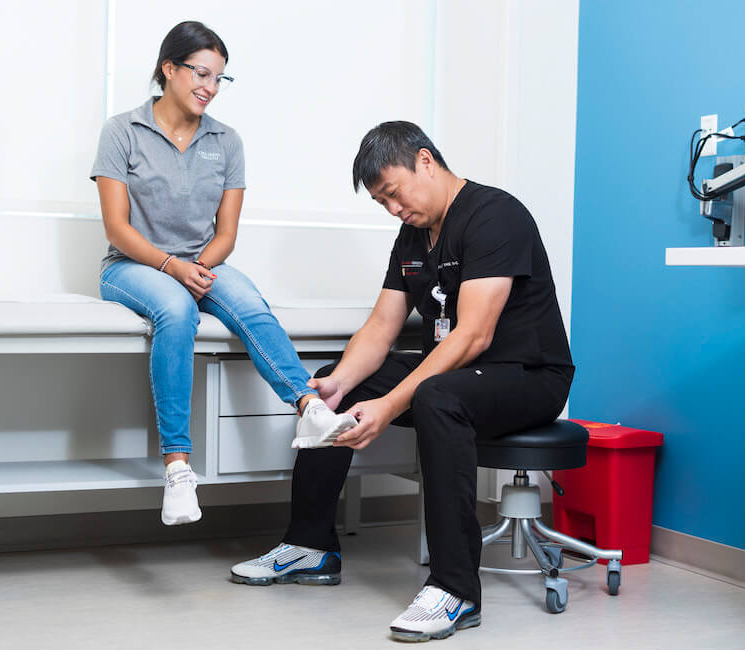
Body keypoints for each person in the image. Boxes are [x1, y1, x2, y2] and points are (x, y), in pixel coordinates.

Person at [230, 121, 574, 642]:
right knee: (332, 382)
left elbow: (475, 335)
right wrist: (339, 386)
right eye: (381, 202)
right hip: (457, 374)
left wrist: (391, 405)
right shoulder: (412, 236)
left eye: (394, 193)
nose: (393, 209)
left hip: (527, 376)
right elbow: (381, 328)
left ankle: (455, 589)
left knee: (437, 397)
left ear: (426, 161)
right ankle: (311, 547)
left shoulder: (495, 216)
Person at [90, 21, 355, 527]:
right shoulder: (122, 131)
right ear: (169, 69)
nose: (209, 88)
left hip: (203, 261)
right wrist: (173, 268)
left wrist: (198, 266)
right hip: (132, 266)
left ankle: (309, 408)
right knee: (175, 308)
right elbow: (117, 228)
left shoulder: (227, 141)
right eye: (201, 73)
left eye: (219, 79)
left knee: (252, 304)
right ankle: (177, 468)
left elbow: (226, 234)